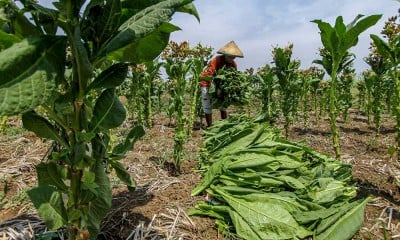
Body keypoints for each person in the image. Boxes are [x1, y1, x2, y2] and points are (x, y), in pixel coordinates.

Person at [200, 40, 244, 127]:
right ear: (225, 55)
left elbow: (233, 77)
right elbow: (209, 75)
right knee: (207, 103)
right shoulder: (216, 60)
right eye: (230, 56)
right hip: (207, 82)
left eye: (234, 57)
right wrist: (215, 89)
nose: (232, 59)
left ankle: (224, 124)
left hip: (220, 85)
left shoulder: (233, 64)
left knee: (223, 104)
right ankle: (210, 126)